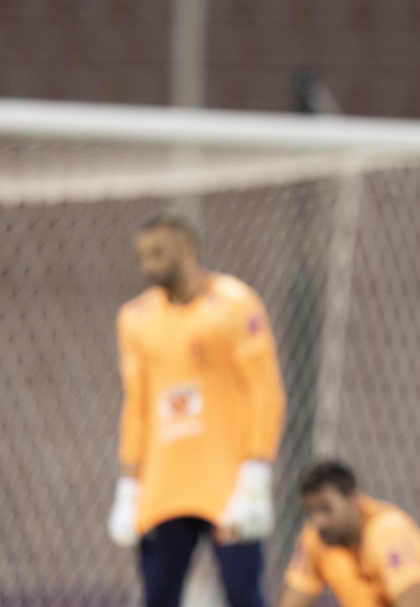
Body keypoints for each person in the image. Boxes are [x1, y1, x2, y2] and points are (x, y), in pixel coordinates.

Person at [107, 211, 287, 607]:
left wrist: (256, 473)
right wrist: (129, 485)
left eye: (158, 253)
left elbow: (265, 392)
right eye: (142, 255)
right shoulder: (135, 319)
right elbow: (137, 406)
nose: (147, 264)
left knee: (243, 594)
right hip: (163, 488)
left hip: (228, 486)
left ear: (187, 249)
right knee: (158, 595)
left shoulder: (235, 304)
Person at [277, 461, 420, 607]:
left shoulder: (385, 531)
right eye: (310, 511)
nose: (319, 521)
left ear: (352, 500)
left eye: (326, 509)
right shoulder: (316, 538)